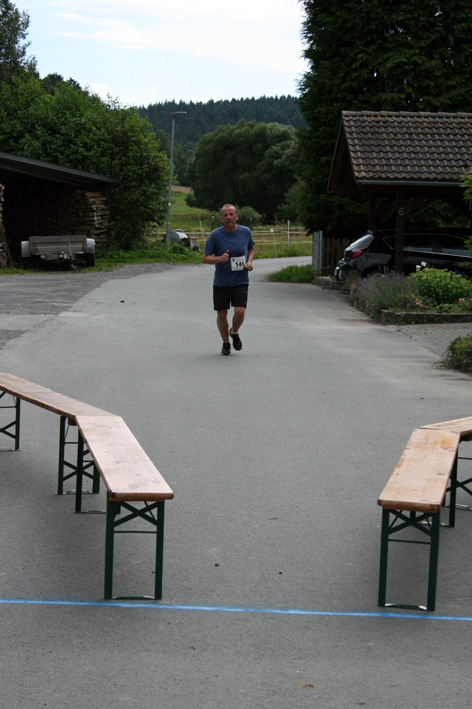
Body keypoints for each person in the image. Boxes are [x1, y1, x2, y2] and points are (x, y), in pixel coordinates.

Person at [203, 204, 255, 355]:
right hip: (222, 281)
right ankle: (225, 343)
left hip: (240, 279)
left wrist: (249, 262)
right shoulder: (215, 235)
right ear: (221, 219)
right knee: (221, 314)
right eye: (225, 215)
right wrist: (219, 259)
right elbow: (205, 258)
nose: (228, 217)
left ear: (236, 216)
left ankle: (234, 332)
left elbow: (251, 249)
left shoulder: (245, 232)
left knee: (240, 312)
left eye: (231, 214)